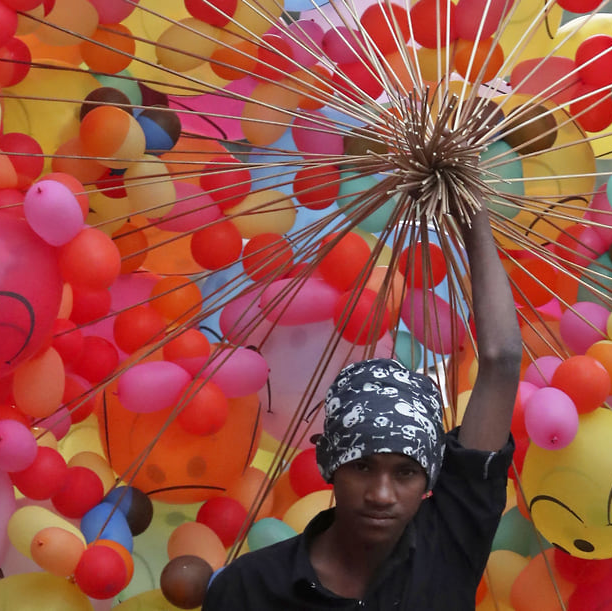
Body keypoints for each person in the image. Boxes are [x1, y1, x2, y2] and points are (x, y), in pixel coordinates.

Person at [202, 205, 523, 610]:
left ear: (430, 476)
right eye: (363, 467)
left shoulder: (447, 542)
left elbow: (501, 361)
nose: (381, 495)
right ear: (328, 463)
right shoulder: (251, 587)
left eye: (405, 472)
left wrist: (471, 210)